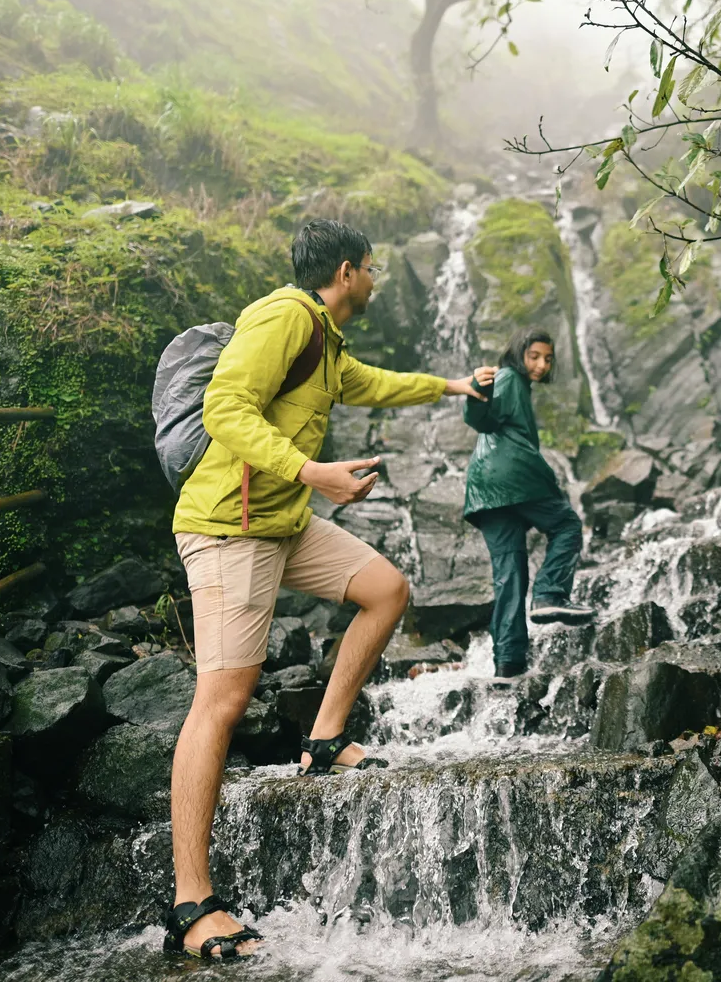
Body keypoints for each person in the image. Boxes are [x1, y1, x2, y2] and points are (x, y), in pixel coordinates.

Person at [163, 220, 495, 961]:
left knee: (385, 588)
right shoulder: (284, 315)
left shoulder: (326, 339)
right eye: (371, 269)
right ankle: (191, 902)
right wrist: (316, 472)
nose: (375, 280)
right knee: (221, 700)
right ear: (346, 273)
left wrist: (449, 384)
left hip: (281, 521)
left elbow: (372, 384)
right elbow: (225, 408)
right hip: (230, 528)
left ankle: (324, 738)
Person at [463, 329, 595, 679]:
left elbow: (484, 419)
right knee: (566, 524)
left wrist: (478, 395)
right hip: (513, 477)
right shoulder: (509, 378)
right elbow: (481, 418)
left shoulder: (512, 383)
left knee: (509, 575)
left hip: (486, 491)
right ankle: (550, 594)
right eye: (534, 356)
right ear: (519, 353)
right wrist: (477, 392)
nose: (541, 364)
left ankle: (509, 663)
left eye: (548, 359)